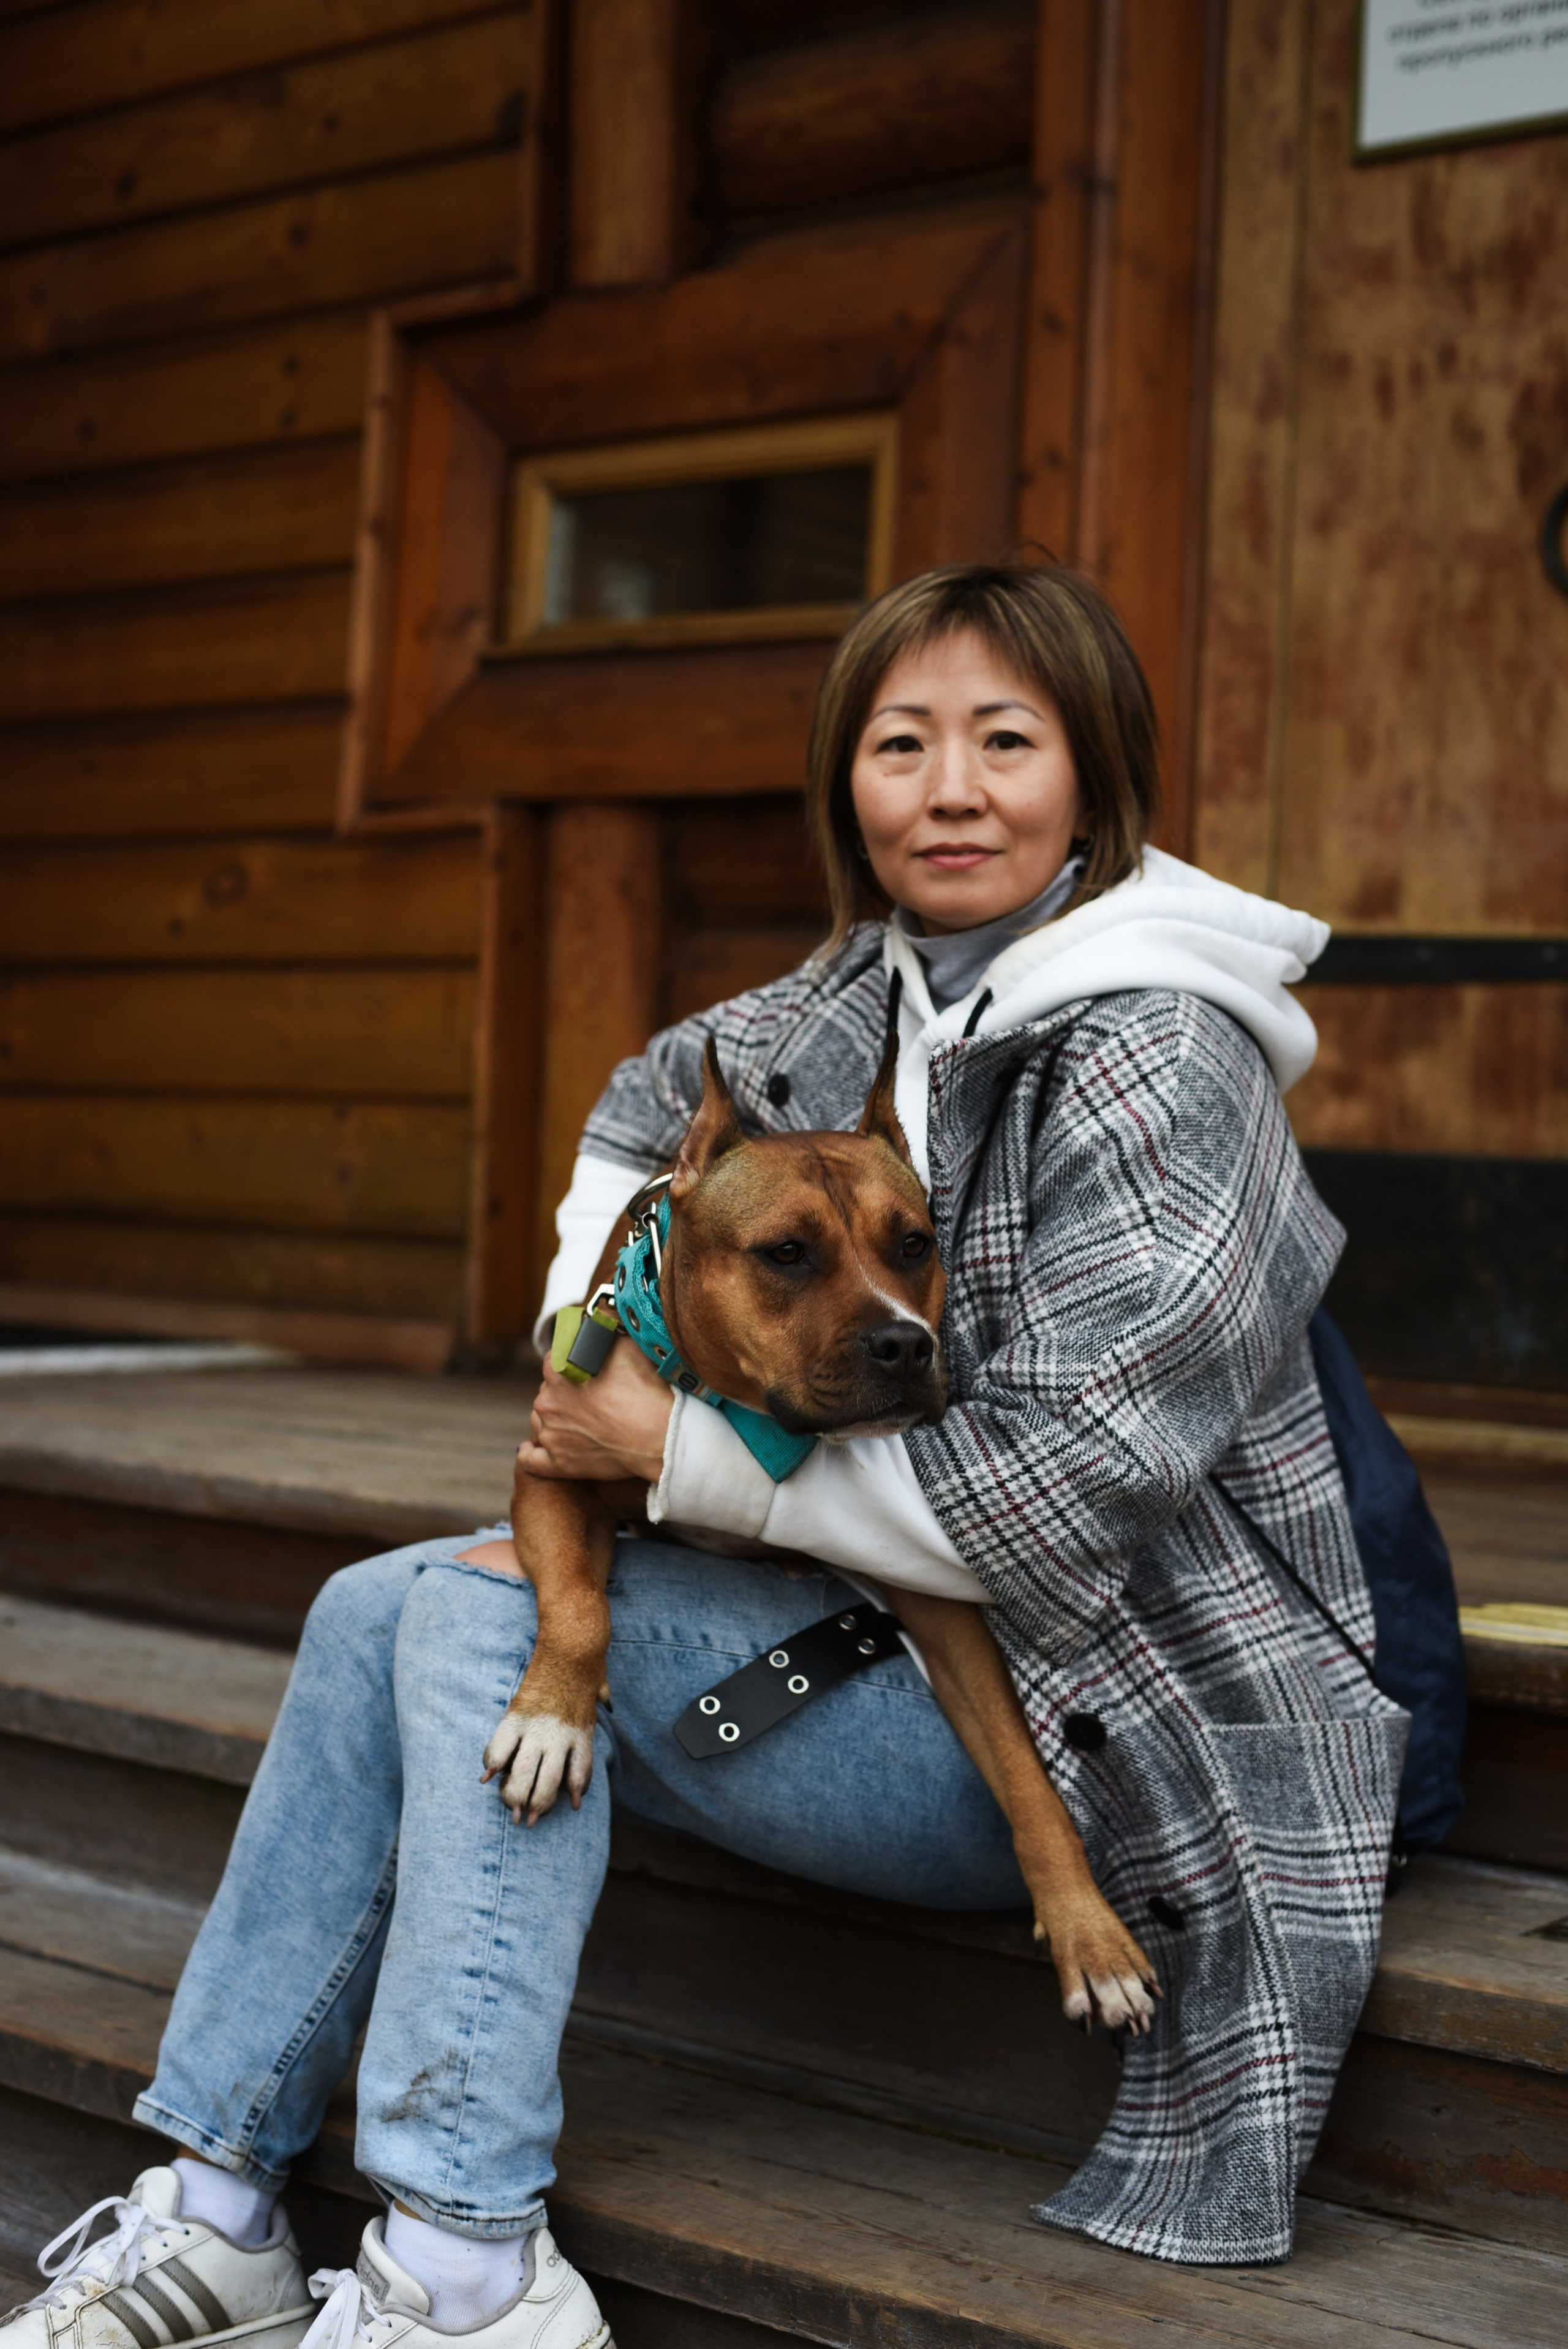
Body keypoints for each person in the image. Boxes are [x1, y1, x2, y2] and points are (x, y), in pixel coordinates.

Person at [5, 564, 1404, 2349]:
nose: (950, 790)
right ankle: (218, 2212)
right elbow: (637, 1115)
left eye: (1006, 740)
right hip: (866, 1626)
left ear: (1097, 774)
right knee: (373, 1608)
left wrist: (668, 1446)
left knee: (476, 1622)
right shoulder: (847, 1002)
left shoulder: (1166, 1058)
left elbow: (1068, 1498)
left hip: (1122, 1707)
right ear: (846, 780)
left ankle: (465, 2269)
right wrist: (608, 1337)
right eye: (900, 744)